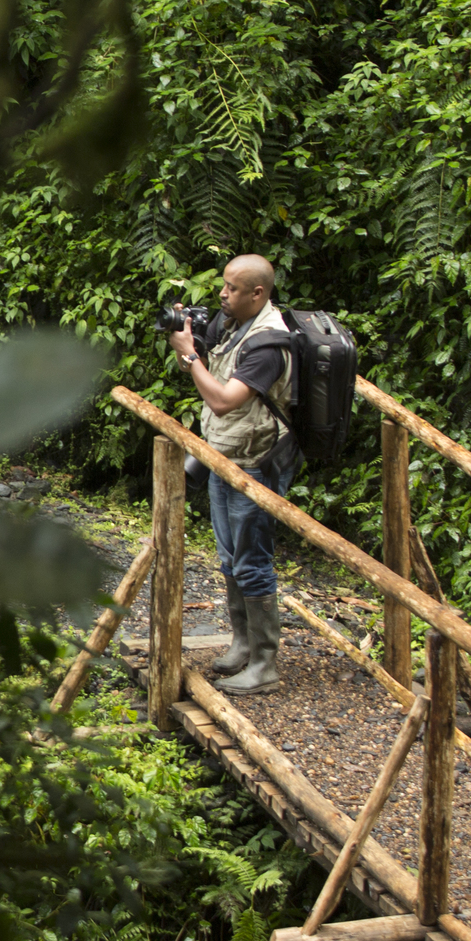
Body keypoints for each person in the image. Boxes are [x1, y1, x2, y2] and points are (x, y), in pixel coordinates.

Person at [165, 253, 297, 696]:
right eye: (224, 285)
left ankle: (265, 664)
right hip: (223, 456)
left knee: (253, 562)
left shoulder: (269, 344)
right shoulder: (233, 325)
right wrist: (190, 337)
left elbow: (223, 400)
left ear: (258, 293)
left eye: (233, 288)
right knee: (228, 558)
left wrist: (188, 358)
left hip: (255, 466)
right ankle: (242, 643)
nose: (223, 294)